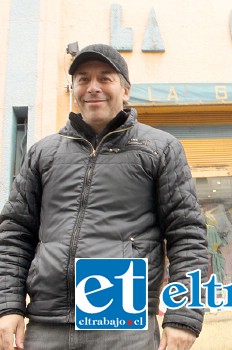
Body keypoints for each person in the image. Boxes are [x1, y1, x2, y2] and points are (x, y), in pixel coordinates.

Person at [0, 44, 209, 350]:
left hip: (123, 326)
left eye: (105, 78)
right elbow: (15, 234)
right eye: (83, 79)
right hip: (45, 326)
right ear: (74, 90)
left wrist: (184, 316)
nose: (93, 88)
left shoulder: (160, 148)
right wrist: (8, 306)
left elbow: (187, 234)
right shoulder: (43, 153)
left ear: (125, 90)